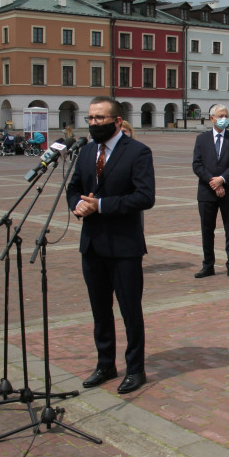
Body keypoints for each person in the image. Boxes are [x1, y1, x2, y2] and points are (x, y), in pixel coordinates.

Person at [66, 96, 156, 394]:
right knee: (100, 311)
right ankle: (105, 364)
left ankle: (135, 369)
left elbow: (145, 197)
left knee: (130, 311)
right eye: (90, 118)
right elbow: (74, 187)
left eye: (100, 118)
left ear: (117, 121)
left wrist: (101, 205)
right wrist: (77, 206)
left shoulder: (138, 152)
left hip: (124, 247)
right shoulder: (87, 151)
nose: (93, 124)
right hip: (92, 244)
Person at [192, 104, 229, 280]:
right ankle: (208, 265)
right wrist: (213, 182)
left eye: (226, 116)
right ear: (212, 118)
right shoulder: (202, 139)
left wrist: (222, 179)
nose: (224, 119)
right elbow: (197, 165)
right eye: (220, 116)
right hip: (206, 192)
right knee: (207, 230)